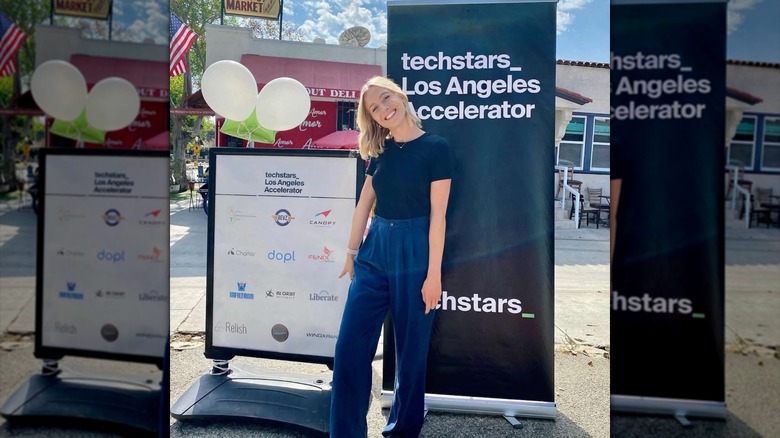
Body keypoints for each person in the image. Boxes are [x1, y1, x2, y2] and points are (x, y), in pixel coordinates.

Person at [330, 76, 453, 438]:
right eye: (375, 108)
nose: (384, 108)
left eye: (386, 98)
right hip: (375, 251)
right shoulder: (378, 152)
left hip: (416, 249)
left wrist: (434, 275)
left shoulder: (436, 147)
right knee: (350, 348)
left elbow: (439, 217)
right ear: (373, 118)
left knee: (411, 355)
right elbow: (363, 206)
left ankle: (402, 430)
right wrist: (352, 252)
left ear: (400, 96)